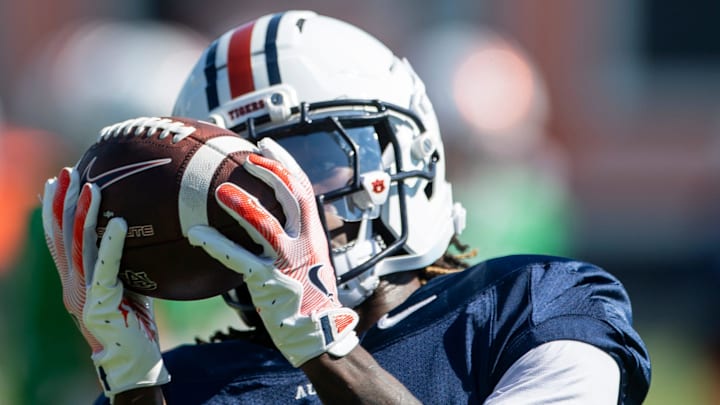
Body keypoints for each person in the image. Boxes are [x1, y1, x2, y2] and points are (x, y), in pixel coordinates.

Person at [42, 10, 651, 404]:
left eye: (311, 156)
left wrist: (327, 348)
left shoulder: (528, 308)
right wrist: (134, 388)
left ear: (409, 156)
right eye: (248, 173)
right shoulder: (185, 382)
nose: (286, 194)